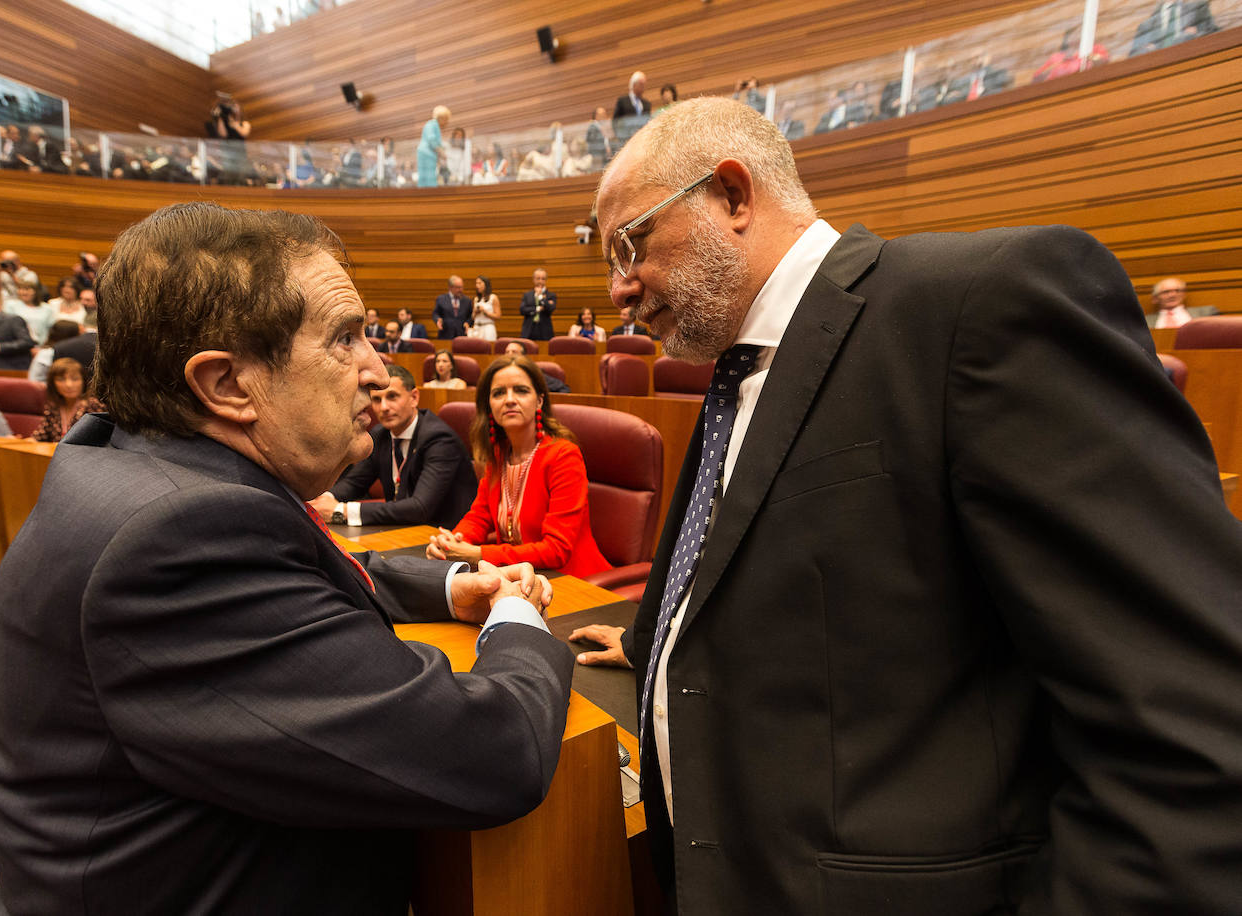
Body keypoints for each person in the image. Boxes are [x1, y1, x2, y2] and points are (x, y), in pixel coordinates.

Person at [586, 96, 1242, 914]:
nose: (617, 287)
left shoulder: (982, 306)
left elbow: (1185, 728)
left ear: (732, 194)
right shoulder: (732, 376)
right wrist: (665, 638)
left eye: (630, 243)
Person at [0, 202, 575, 914]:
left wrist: (451, 588)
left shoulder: (132, 464)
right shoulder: (178, 543)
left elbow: (293, 572)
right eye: (345, 338)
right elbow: (494, 755)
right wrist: (511, 616)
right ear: (226, 385)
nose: (377, 370)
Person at [427, 355, 609, 577]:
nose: (509, 400)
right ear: (489, 405)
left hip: (574, 582)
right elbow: (479, 517)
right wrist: (452, 543)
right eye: (498, 393)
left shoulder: (563, 456)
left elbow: (556, 550)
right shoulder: (498, 454)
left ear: (539, 401)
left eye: (521, 391)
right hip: (517, 578)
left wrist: (477, 554)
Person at [316, 364, 477, 527]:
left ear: (414, 398)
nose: (384, 407)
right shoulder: (380, 435)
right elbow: (354, 483)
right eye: (377, 400)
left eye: (392, 397)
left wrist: (341, 510)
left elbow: (420, 508)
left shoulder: (439, 439)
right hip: (401, 528)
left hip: (443, 533)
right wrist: (327, 499)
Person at [31, 357, 101, 443]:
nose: (69, 385)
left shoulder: (93, 406)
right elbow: (39, 437)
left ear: (84, 381)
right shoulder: (53, 406)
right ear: (52, 383)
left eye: (75, 379)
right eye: (61, 379)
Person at [1130, 0, 1218, 55]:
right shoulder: (1146, 25)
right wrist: (1148, 50)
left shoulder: (1198, 8)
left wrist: (1194, 35)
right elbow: (1134, 56)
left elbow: (1215, 36)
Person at [1148, 276, 1219, 327]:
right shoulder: (1145, 321)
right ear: (1155, 298)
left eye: (1177, 291)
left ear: (1184, 295)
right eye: (1166, 292)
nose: (1172, 295)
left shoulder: (1206, 313)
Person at [501, 341, 569, 393]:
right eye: (507, 352)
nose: (509, 355)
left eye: (514, 352)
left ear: (523, 357)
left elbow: (564, 389)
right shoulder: (499, 374)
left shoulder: (533, 373)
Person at [28, 319, 82, 384]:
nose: (81, 337)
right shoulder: (47, 353)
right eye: (79, 334)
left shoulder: (72, 351)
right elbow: (35, 380)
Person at [8, 279, 56, 347]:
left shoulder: (47, 308)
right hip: (17, 345)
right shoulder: (11, 305)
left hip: (40, 345)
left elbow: (51, 328)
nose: (23, 292)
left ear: (36, 292)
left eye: (27, 289)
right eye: (21, 289)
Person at [612, 71, 651, 151]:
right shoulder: (622, 101)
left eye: (644, 84)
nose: (643, 87)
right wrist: (620, 136)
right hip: (626, 142)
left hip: (642, 142)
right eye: (641, 84)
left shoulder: (647, 104)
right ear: (633, 85)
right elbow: (615, 121)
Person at [519, 268, 556, 341]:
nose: (540, 281)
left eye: (543, 279)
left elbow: (550, 309)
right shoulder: (527, 295)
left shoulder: (551, 295)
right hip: (528, 330)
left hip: (545, 331)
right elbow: (522, 310)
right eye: (538, 278)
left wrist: (541, 297)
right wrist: (537, 309)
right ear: (533, 280)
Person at [417, 105, 450, 188]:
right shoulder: (432, 124)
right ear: (441, 118)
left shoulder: (435, 125)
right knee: (428, 176)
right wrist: (441, 152)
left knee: (429, 174)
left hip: (429, 154)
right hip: (426, 154)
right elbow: (431, 140)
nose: (447, 123)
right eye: (446, 120)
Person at [432, 275, 473, 339]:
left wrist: (468, 323)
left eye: (462, 287)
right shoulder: (441, 299)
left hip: (462, 334)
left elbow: (471, 316)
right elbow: (435, 313)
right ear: (450, 287)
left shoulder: (467, 300)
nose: (461, 290)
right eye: (458, 287)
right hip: (445, 334)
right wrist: (438, 320)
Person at [470, 275, 501, 341]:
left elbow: (498, 316)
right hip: (477, 327)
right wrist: (475, 312)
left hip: (488, 327)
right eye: (476, 283)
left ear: (486, 284)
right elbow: (472, 317)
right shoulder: (476, 299)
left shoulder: (493, 297)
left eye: (480, 283)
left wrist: (485, 312)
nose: (477, 286)